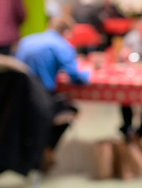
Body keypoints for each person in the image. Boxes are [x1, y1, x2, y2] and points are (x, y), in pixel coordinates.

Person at [14, 16, 90, 170]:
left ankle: (39, 150)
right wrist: (89, 72)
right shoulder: (61, 46)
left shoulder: (25, 41)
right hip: (41, 103)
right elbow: (77, 78)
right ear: (67, 32)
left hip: (18, 101)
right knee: (70, 109)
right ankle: (46, 150)